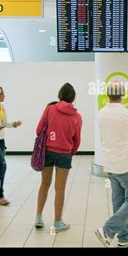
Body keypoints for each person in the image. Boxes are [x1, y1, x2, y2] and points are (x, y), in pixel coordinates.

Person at [96, 81, 128, 248]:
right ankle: (107, 230)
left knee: (119, 202)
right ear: (122, 95)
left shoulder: (101, 113)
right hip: (126, 164)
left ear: (108, 95)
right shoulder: (126, 114)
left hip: (109, 164)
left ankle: (125, 239)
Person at [35, 83, 82, 233]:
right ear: (73, 97)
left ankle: (38, 217)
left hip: (47, 150)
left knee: (45, 184)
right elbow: (77, 140)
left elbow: (38, 130)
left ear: (60, 95)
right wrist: (70, 152)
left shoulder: (50, 109)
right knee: (60, 188)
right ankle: (57, 222)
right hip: (65, 154)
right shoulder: (77, 116)